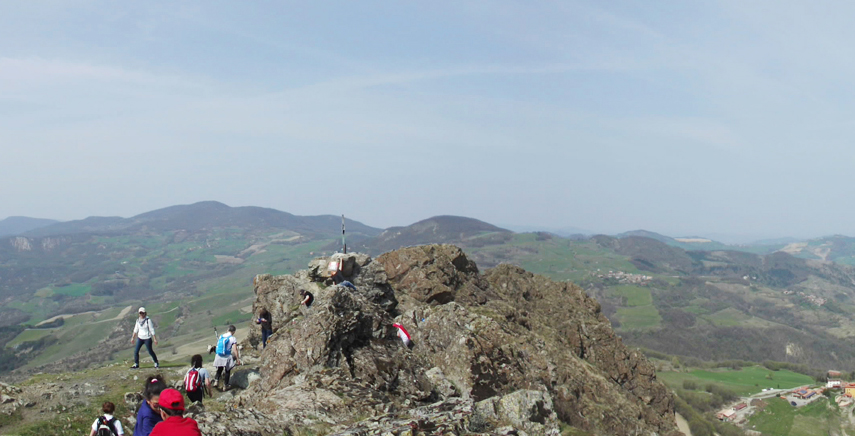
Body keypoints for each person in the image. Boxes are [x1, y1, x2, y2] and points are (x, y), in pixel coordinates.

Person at [213, 325, 241, 390]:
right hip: (227, 356)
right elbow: (235, 349)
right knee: (227, 371)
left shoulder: (221, 336)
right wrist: (237, 359)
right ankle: (225, 385)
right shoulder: (233, 338)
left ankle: (216, 381)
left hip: (219, 355)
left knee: (220, 369)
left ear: (227, 330)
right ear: (233, 332)